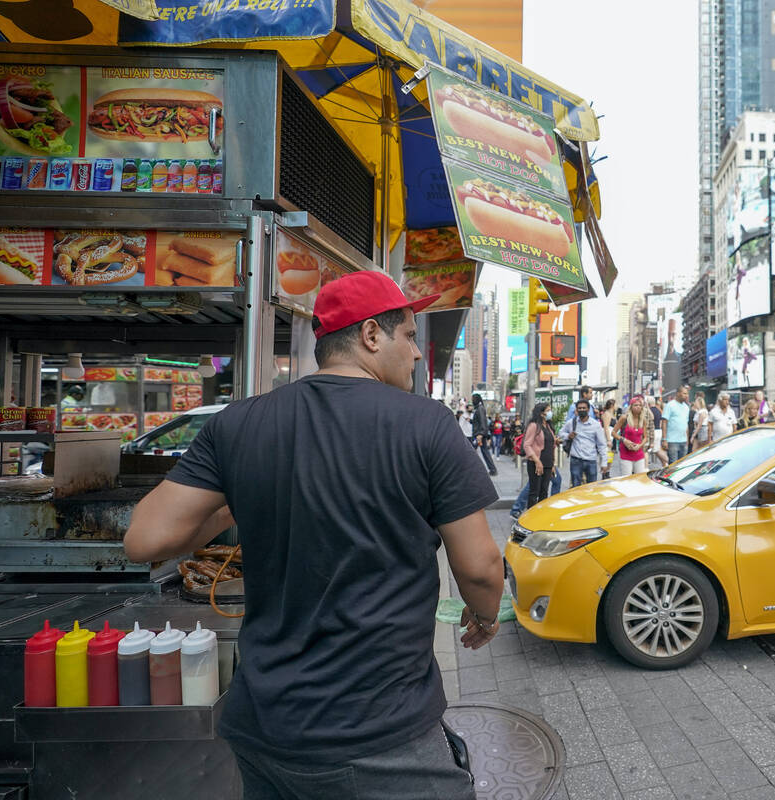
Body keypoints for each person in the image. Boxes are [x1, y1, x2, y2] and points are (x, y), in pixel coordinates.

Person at [123, 272, 502, 800]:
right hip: (381, 735)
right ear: (372, 335)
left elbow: (145, 538)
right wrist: (484, 616)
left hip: (265, 729)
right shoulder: (428, 425)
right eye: (410, 337)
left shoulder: (238, 423)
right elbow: (481, 566)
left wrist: (247, 487)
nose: (417, 355)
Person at [563, 398, 608, 486]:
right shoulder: (571, 423)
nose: (582, 410)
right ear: (576, 410)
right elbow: (561, 433)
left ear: (588, 409)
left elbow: (601, 445)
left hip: (591, 460)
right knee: (576, 487)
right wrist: (568, 436)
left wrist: (604, 463)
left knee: (591, 487)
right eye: (579, 408)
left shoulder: (595, 425)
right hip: (576, 460)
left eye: (584, 408)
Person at [523, 402, 557, 505]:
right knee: (534, 492)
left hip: (548, 463)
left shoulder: (549, 426)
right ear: (541, 413)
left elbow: (551, 446)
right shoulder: (534, 426)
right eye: (548, 410)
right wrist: (537, 461)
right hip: (537, 463)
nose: (550, 412)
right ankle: (531, 518)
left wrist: (552, 464)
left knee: (544, 492)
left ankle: (540, 518)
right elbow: (527, 445)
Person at [612, 395, 651, 476]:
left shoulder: (642, 420)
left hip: (639, 453)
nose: (638, 407)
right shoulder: (624, 418)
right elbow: (613, 433)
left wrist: (640, 446)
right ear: (631, 407)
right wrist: (624, 440)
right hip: (626, 454)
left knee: (639, 478)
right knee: (627, 479)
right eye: (635, 405)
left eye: (640, 405)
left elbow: (645, 437)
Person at [661, 386, 692, 464]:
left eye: (687, 394)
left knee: (682, 464)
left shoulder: (686, 407)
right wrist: (664, 439)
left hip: (683, 441)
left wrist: (687, 440)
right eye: (684, 393)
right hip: (672, 440)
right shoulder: (670, 405)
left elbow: (686, 424)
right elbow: (664, 422)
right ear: (678, 394)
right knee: (673, 464)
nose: (686, 395)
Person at [472, 394, 498, 476]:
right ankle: (492, 469)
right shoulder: (479, 409)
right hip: (479, 434)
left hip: (479, 435)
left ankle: (492, 469)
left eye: (473, 399)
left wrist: (481, 434)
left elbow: (483, 422)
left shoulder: (480, 409)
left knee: (474, 452)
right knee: (481, 451)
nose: (472, 400)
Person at [649, 396, 666, 468]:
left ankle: (666, 461)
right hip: (659, 431)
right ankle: (665, 463)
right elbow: (661, 422)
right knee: (656, 449)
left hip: (653, 431)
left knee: (656, 450)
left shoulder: (649, 411)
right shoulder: (658, 411)